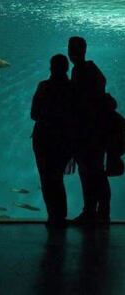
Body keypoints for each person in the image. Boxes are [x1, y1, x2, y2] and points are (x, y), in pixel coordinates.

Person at [68, 36, 111, 225]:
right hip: (94, 131)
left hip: (89, 132)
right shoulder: (87, 70)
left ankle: (95, 212)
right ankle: (98, 212)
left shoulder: (82, 71)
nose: (71, 52)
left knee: (91, 173)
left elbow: (81, 105)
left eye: (72, 48)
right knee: (94, 172)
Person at [31, 54, 73, 227]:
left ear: (51, 67)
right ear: (67, 68)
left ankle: (53, 216)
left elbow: (34, 114)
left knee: (47, 179)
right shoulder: (73, 89)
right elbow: (76, 118)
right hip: (64, 140)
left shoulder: (44, 86)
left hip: (43, 138)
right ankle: (60, 217)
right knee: (57, 178)